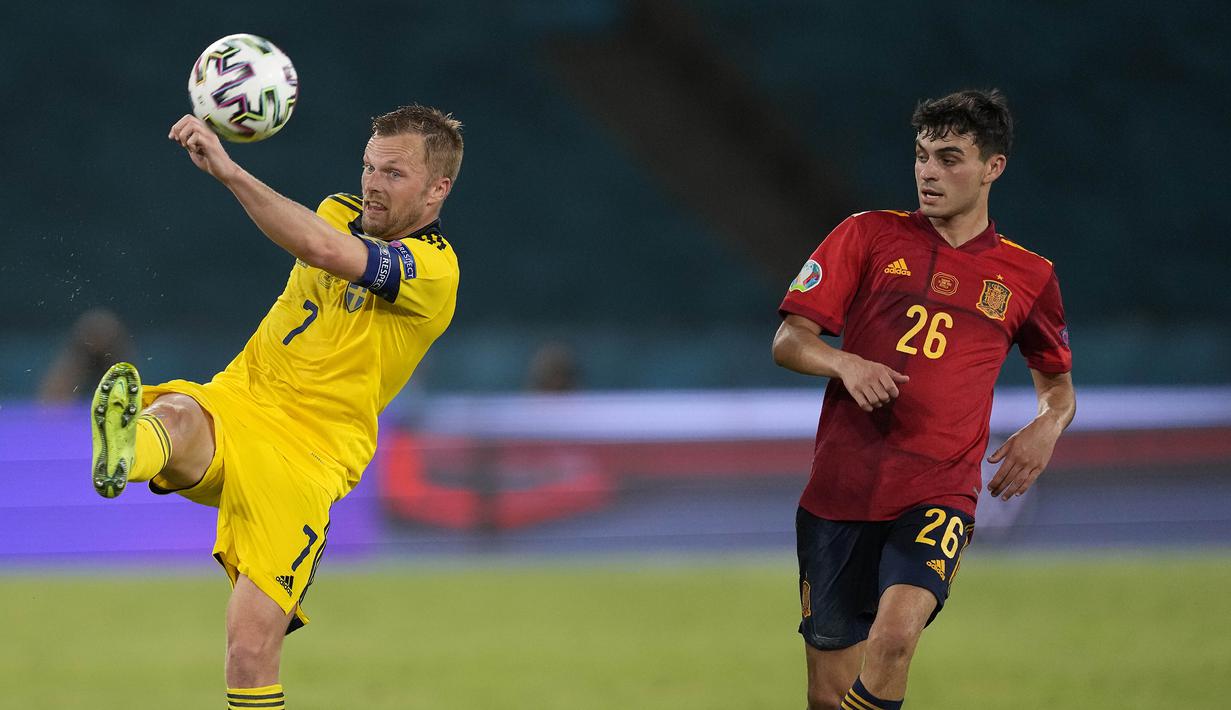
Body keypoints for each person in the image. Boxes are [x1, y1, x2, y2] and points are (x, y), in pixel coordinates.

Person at [89, 105, 463, 710]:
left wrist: (230, 172)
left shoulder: (434, 272)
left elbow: (320, 249)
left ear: (437, 188)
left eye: (393, 174)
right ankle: (124, 453)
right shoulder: (340, 210)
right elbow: (320, 234)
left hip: (308, 455)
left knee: (250, 649)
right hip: (243, 398)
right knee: (180, 415)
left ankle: (132, 449)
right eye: (369, 166)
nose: (371, 183)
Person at [772, 89, 1075, 710]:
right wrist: (844, 361)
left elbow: (1058, 387)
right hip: (840, 490)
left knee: (896, 637)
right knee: (828, 695)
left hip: (938, 490)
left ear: (994, 167)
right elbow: (788, 339)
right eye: (921, 156)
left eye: (949, 158)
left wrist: (1046, 426)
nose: (928, 173)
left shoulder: (1029, 277)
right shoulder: (867, 235)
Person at [39, 307, 133, 402]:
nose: (97, 343)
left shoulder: (122, 368)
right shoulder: (73, 363)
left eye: (100, 337)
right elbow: (52, 401)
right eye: (95, 336)